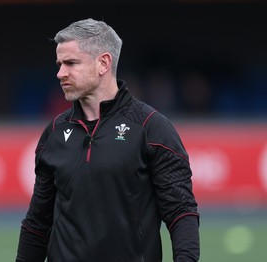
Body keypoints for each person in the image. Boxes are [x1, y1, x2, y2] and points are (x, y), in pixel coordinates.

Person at [16, 18, 200, 262]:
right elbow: (38, 223)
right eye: (59, 64)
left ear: (103, 63)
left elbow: (181, 213)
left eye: (70, 63)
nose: (60, 73)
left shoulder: (152, 129)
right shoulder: (54, 133)